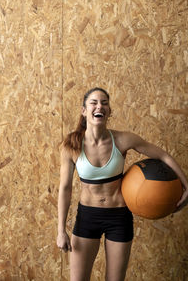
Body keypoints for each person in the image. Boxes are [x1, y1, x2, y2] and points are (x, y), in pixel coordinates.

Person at [57, 87, 188, 281]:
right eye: (93, 102)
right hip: (87, 216)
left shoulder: (122, 139)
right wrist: (60, 230)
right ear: (84, 110)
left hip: (118, 217)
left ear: (109, 111)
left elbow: (162, 155)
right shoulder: (72, 145)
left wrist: (187, 186)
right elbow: (65, 189)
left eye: (104, 103)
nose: (99, 106)